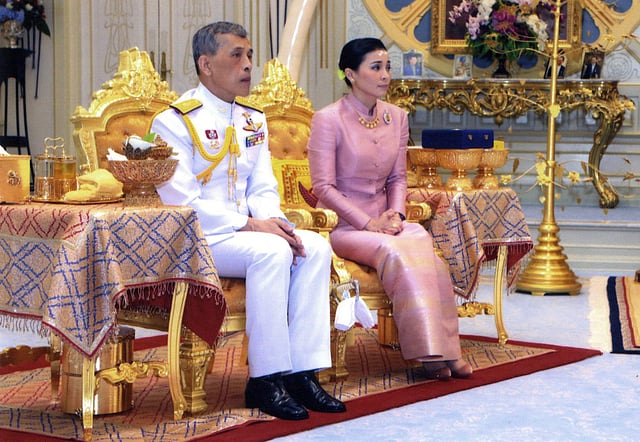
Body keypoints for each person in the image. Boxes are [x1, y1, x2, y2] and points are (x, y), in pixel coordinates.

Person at [150, 21, 345, 420]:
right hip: (199, 236)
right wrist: (253, 226)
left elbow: (263, 186)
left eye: (250, 55)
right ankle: (265, 380)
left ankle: (302, 373)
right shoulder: (174, 121)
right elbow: (181, 201)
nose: (247, 65)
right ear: (206, 64)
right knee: (271, 253)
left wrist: (276, 223)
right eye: (236, 55)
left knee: (314, 246)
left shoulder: (253, 118)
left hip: (247, 233)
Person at [307, 38, 472, 381]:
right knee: (394, 251)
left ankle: (450, 351)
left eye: (387, 67)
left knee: (430, 254)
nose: (385, 75)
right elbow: (323, 187)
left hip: (388, 221)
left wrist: (396, 215)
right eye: (376, 67)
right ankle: (428, 354)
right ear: (351, 74)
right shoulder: (328, 119)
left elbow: (398, 178)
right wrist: (369, 223)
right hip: (345, 227)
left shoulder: (396, 117)